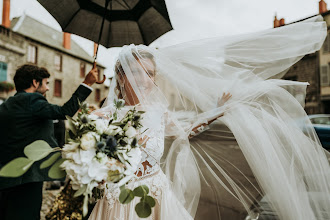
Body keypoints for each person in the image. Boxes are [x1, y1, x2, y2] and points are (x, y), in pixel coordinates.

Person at [90, 15, 329, 220]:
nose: (143, 80)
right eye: (136, 72)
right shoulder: (101, 119)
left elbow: (187, 132)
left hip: (157, 196)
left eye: (149, 74)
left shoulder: (158, 112)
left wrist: (216, 110)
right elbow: (91, 168)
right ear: (120, 77)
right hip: (118, 201)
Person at [0, 64, 99, 220]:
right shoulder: (31, 100)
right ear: (35, 82)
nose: (47, 89)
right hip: (26, 178)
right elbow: (64, 112)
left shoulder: (8, 104)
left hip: (6, 177)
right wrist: (86, 83)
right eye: (46, 83)